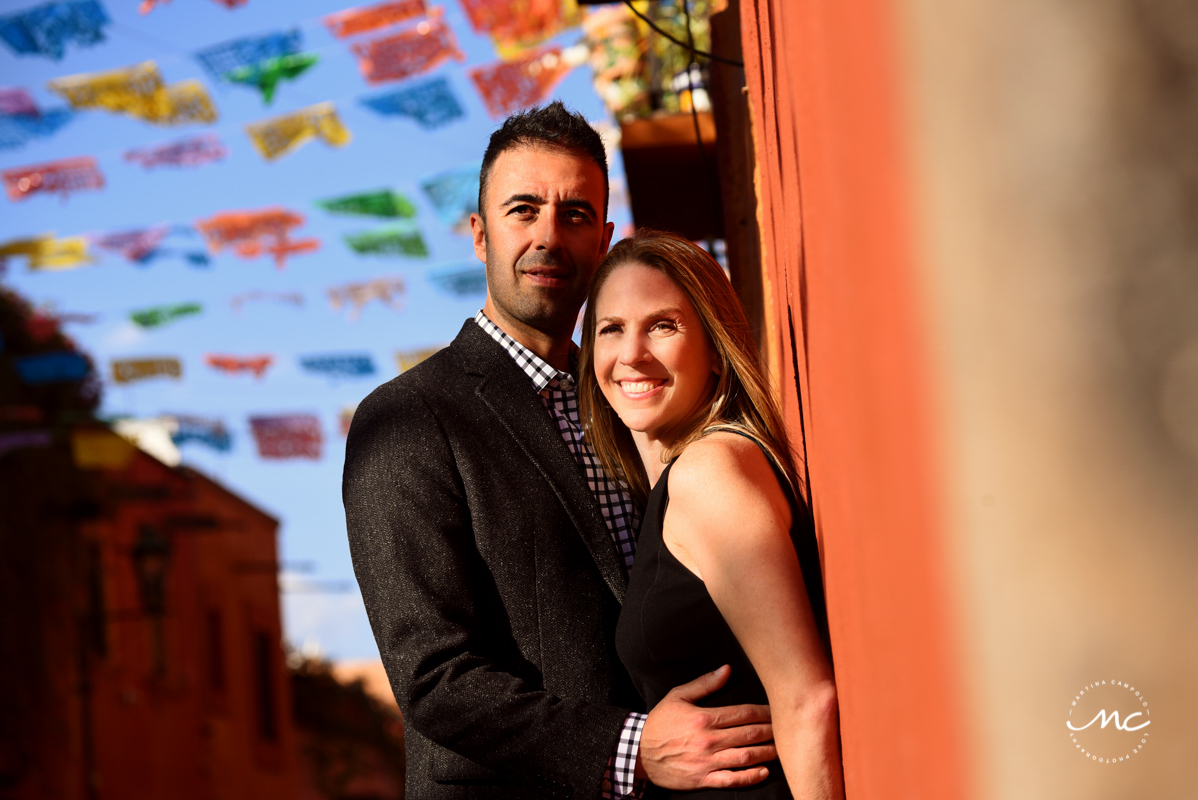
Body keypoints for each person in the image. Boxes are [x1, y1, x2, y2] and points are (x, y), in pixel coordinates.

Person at [343, 103, 778, 800]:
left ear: (603, 239)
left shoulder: (633, 401)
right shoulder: (406, 420)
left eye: (575, 214)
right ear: (480, 236)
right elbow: (433, 677)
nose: (549, 236)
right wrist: (631, 748)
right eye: (523, 210)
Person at [578, 230, 844, 798]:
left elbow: (806, 698)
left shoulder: (708, 474)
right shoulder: (677, 486)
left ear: (716, 350)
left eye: (662, 325)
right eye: (611, 329)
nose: (631, 354)